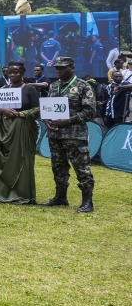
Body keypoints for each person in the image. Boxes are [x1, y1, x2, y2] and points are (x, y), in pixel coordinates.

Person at [42, 56, 97, 212]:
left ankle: (87, 201)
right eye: (57, 68)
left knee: (82, 168)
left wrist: (68, 121)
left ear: (72, 68)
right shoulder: (53, 86)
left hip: (75, 135)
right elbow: (47, 109)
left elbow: (90, 111)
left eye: (62, 67)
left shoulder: (83, 86)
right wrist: (47, 121)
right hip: (55, 135)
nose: (58, 70)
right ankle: (61, 197)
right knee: (58, 167)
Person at [0, 61, 41, 204]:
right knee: (2, 160)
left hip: (22, 130)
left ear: (22, 74)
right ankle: (2, 193)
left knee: (21, 159)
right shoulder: (3, 89)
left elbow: (37, 110)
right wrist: (3, 110)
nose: (11, 75)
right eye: (10, 72)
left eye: (15, 72)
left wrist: (20, 114)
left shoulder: (29, 89)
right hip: (3, 130)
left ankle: (21, 194)